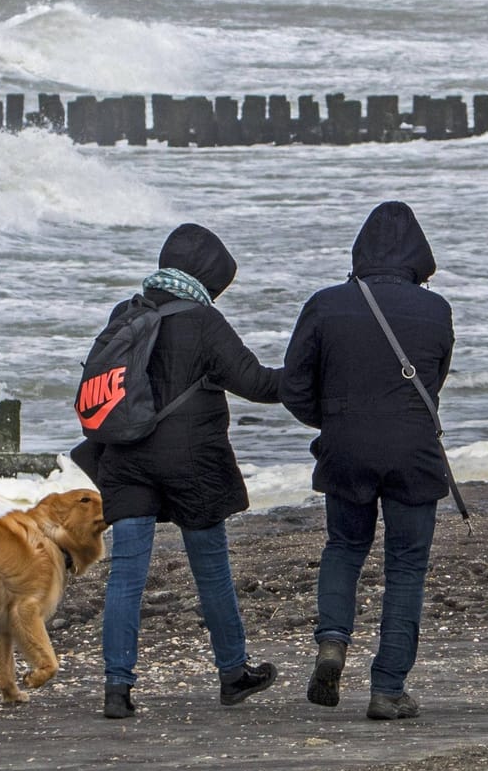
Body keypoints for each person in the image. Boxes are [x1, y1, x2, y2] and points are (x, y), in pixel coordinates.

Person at [70, 222, 284, 720]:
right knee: (211, 571)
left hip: (125, 456)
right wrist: (316, 374)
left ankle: (117, 688)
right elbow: (257, 383)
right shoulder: (204, 321)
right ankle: (233, 674)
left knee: (126, 575)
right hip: (194, 461)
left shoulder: (128, 313)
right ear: (209, 275)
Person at [280, 201, 454, 721]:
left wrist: (332, 420)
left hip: (346, 448)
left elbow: (294, 386)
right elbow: (434, 382)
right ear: (418, 256)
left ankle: (333, 640)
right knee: (405, 567)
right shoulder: (436, 309)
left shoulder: (325, 304)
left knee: (345, 546)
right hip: (413, 452)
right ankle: (388, 687)